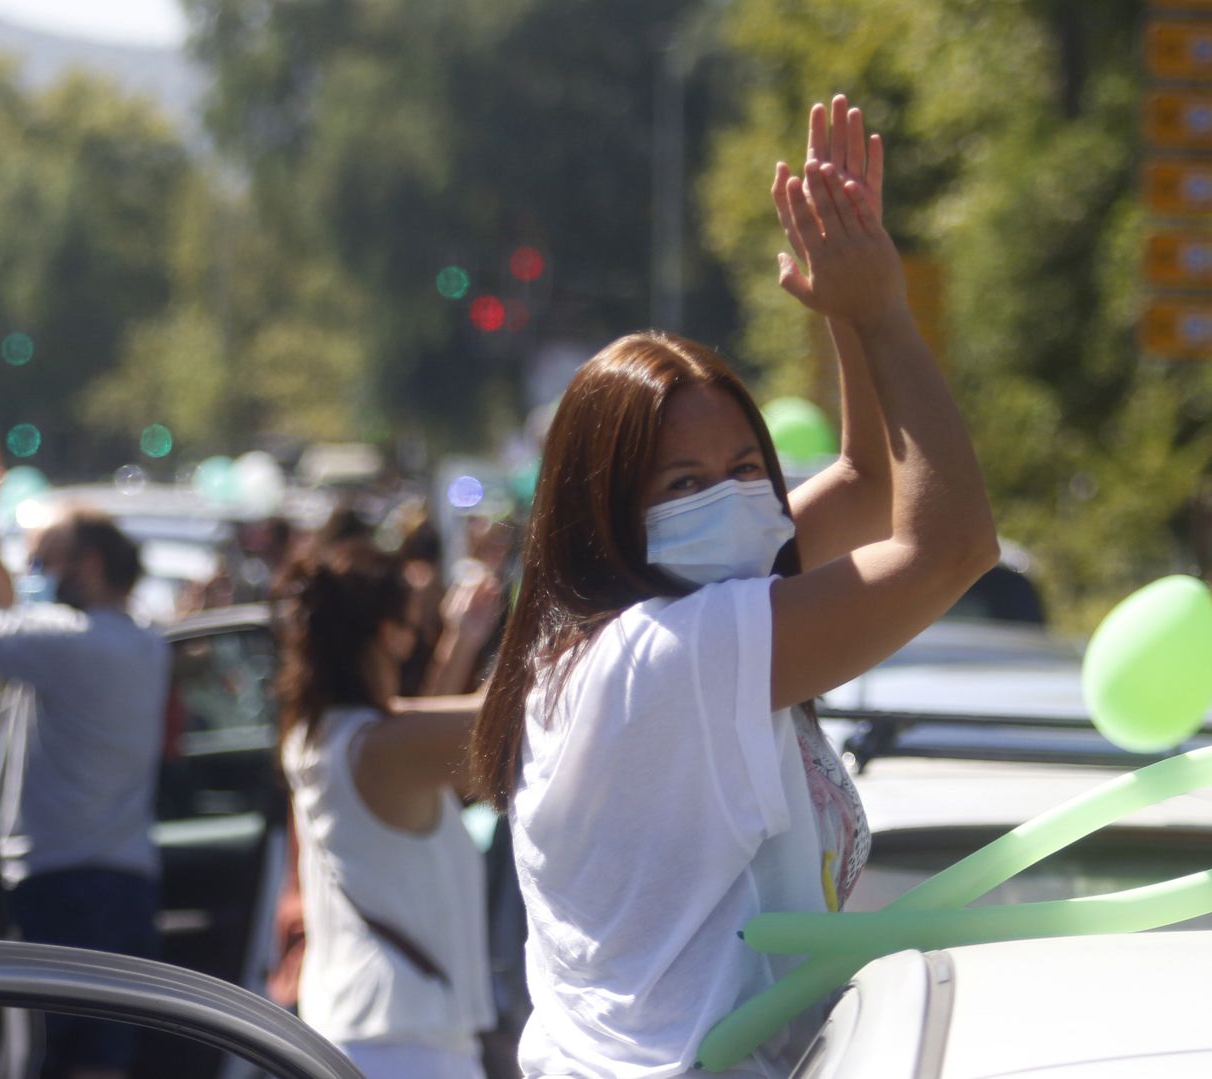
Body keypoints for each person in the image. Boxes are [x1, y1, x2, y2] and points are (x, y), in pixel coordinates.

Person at [468, 96, 999, 1077]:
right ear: (601, 510)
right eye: (683, 483)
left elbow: (872, 484)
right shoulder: (667, 657)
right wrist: (884, 313)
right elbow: (953, 544)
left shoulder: (604, 642)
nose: (732, 499)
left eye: (747, 467)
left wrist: (845, 309)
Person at [0, 426, 170, 1079]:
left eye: (44, 562)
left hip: (60, 888)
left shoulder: (71, 644)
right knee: (99, 1062)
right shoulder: (141, 642)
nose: (36, 576)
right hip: (125, 885)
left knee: (37, 1060)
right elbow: (13, 612)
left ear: (89, 566)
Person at [273, 538, 497, 1077]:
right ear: (389, 634)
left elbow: (416, 732)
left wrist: (461, 642)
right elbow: (518, 721)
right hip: (408, 1044)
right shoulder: (378, 748)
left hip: (352, 1027)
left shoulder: (315, 735)